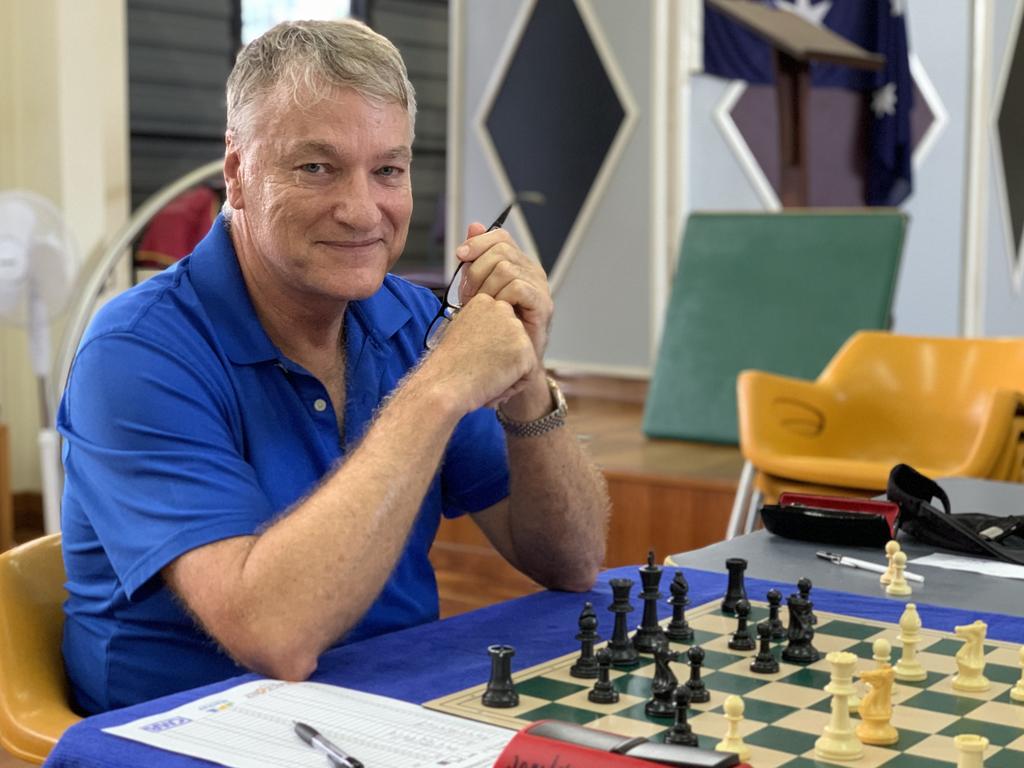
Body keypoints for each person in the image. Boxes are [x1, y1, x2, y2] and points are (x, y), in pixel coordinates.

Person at [57, 18, 609, 715]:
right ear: (237, 171)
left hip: (398, 713)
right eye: (316, 167)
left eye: (388, 170)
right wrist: (437, 390)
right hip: (190, 729)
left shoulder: (410, 319)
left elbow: (571, 560)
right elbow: (277, 639)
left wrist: (525, 382)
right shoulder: (135, 353)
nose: (361, 210)